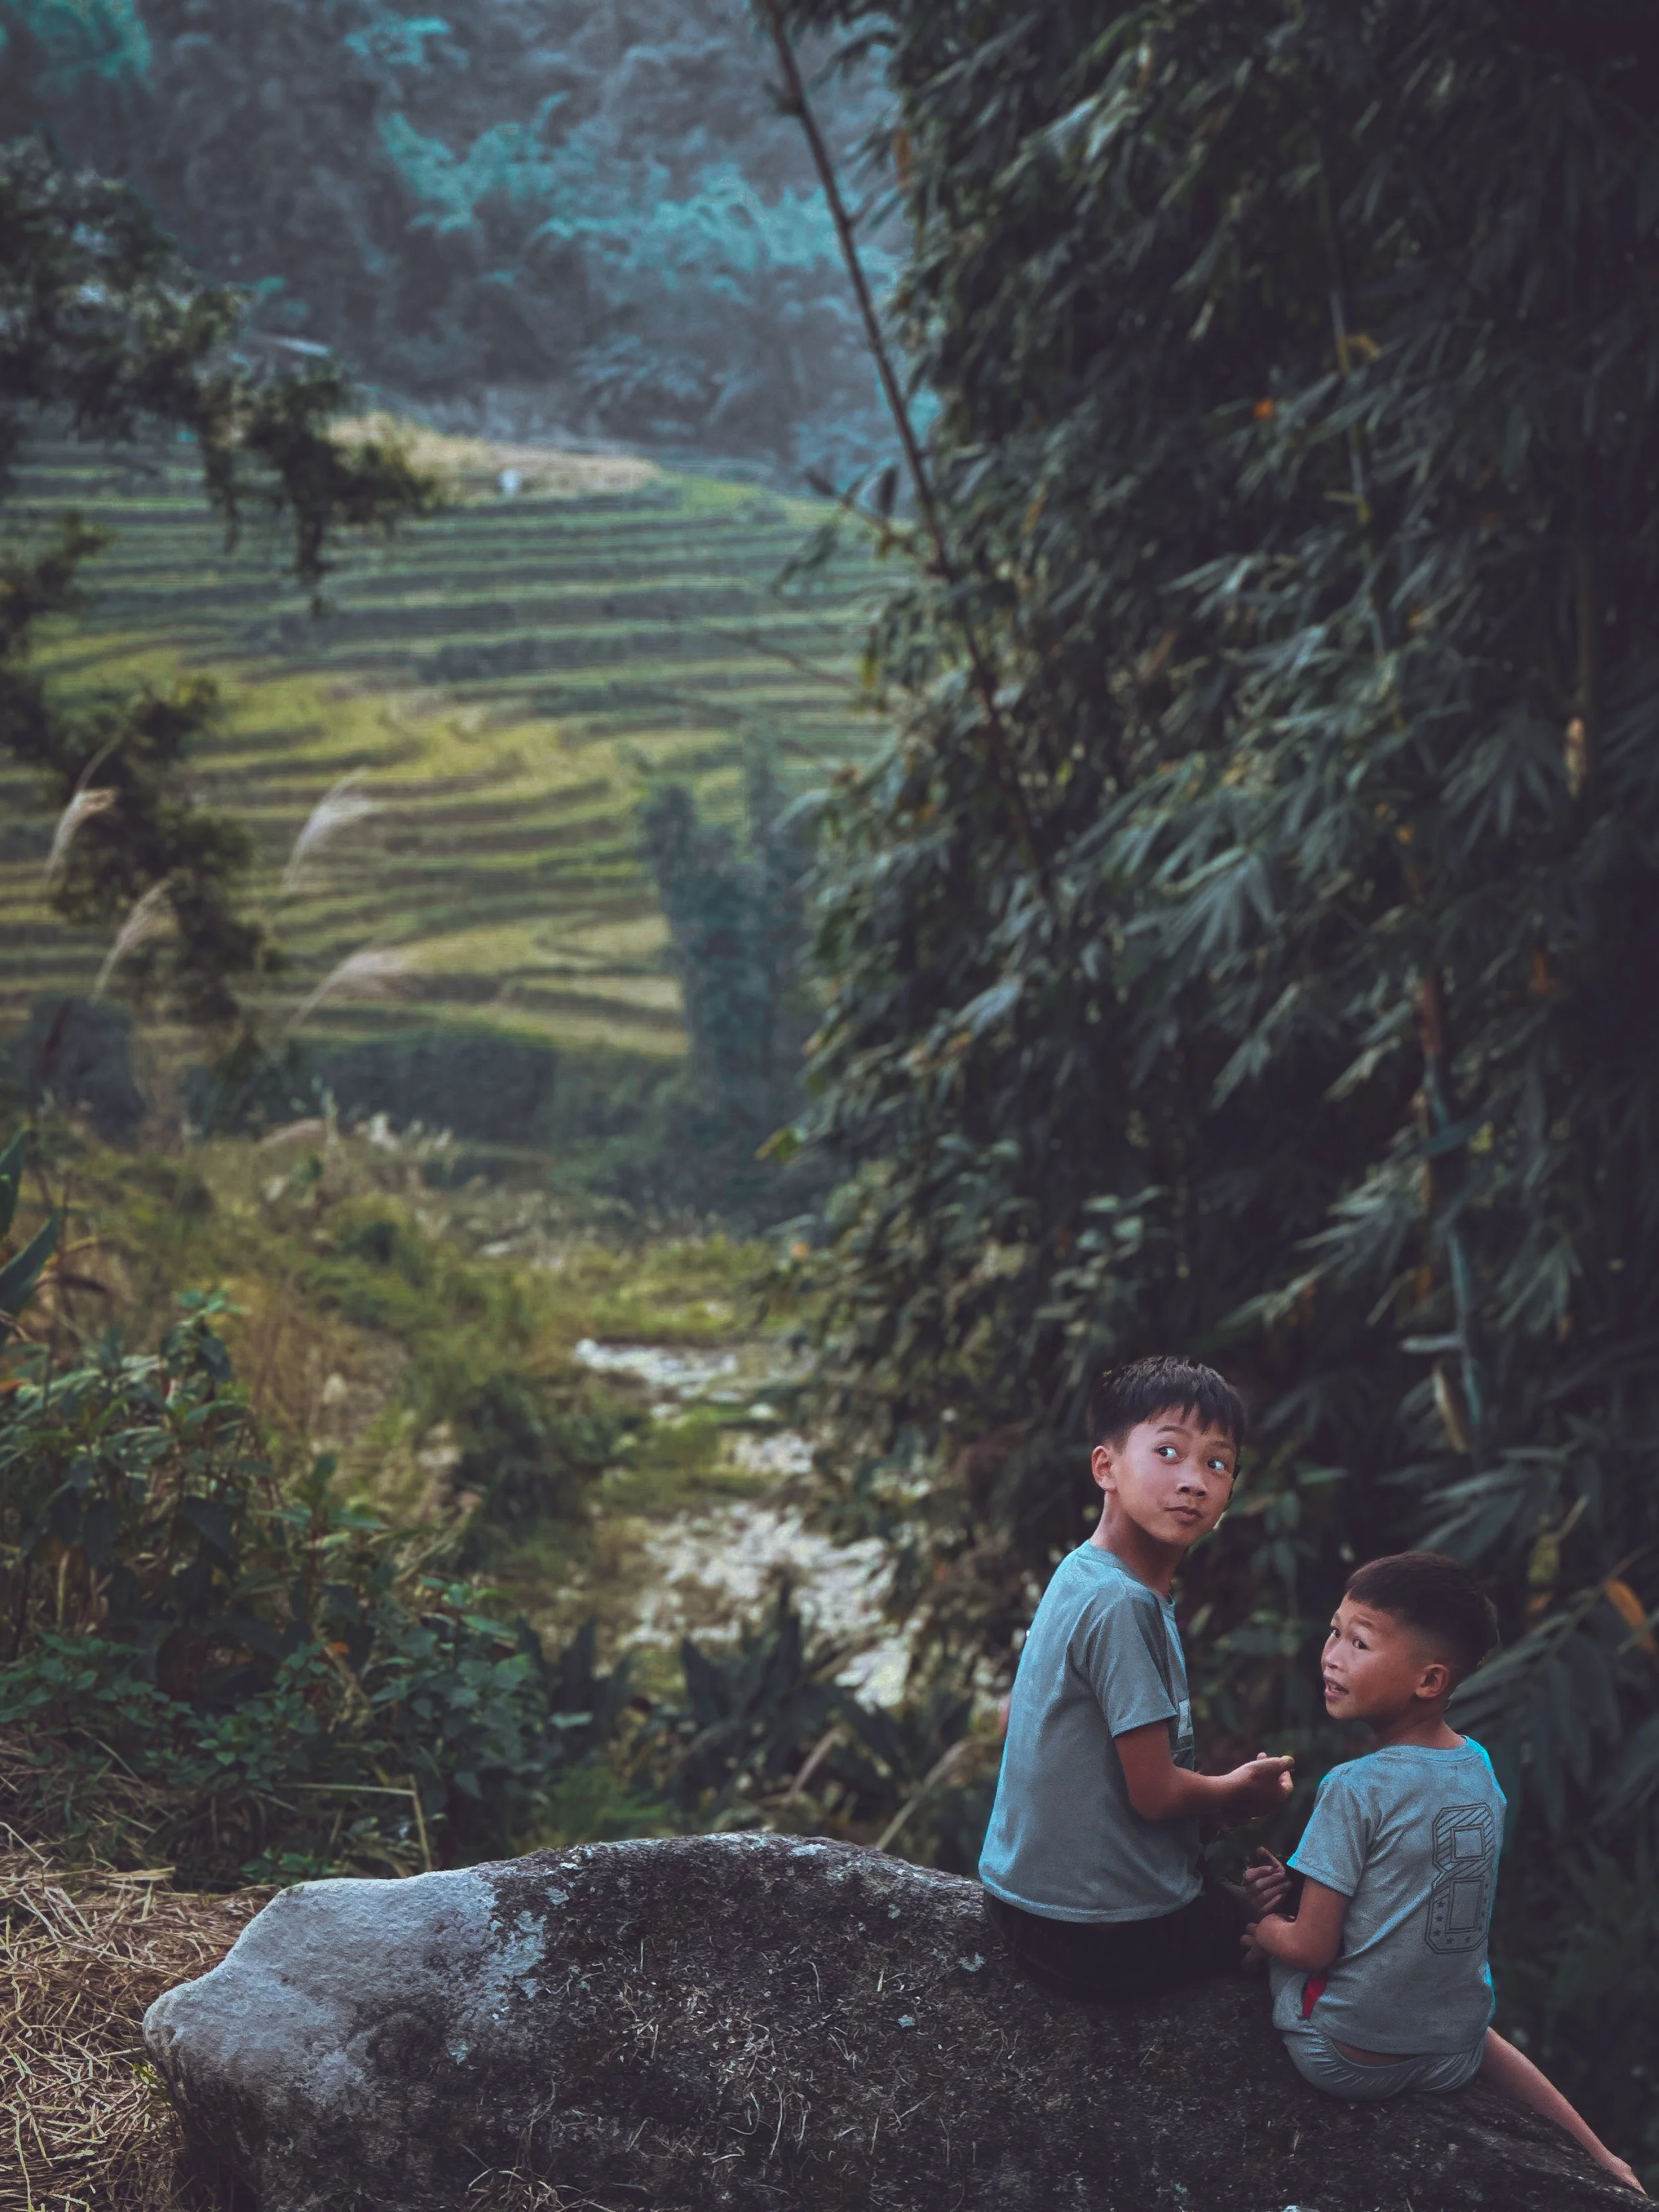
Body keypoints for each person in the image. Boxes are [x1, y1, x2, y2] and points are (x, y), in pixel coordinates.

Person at [1242, 1551, 1644, 2194]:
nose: (1331, 1655)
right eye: (1333, 1631)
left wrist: (1267, 1928)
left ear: (1428, 1681)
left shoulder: (1353, 1786)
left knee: (1274, 1946)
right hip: (1449, 2054)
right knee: (1462, 2015)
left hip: (1345, 2057)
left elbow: (1314, 1945)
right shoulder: (1478, 1767)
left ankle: (1267, 1930)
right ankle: (1604, 2160)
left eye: (1359, 1641)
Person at [979, 1354, 1293, 2002]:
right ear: (1106, 1467)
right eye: (1169, 1452)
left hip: (1025, 1904)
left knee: (1257, 1903)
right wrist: (1237, 1785)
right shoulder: (1121, 1605)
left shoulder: (1082, 1572)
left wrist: (1221, 1810)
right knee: (1298, 1938)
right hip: (1097, 1933)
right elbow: (1152, 1796)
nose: (1194, 1481)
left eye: (1216, 1463)